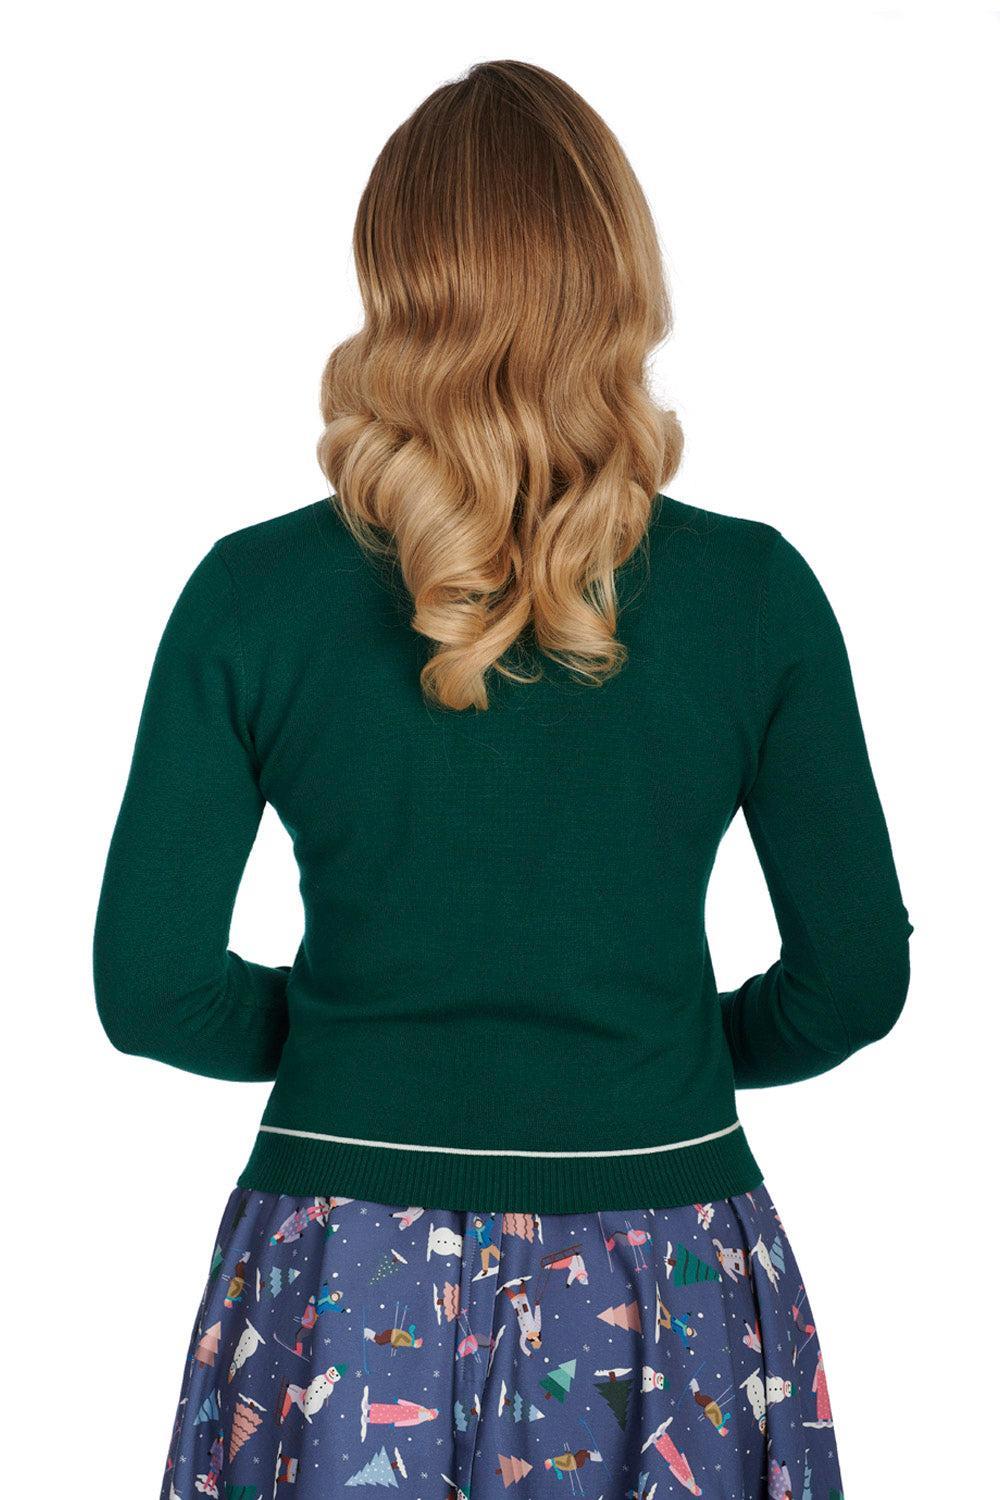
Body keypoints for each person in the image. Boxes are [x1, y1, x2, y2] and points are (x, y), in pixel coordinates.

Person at [92, 59, 912, 1499]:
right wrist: (663, 1041)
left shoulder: (251, 594)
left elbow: (149, 988)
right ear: (623, 277)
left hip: (342, 1267)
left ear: (392, 279)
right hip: (661, 1269)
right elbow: (855, 981)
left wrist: (362, 1029)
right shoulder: (755, 595)